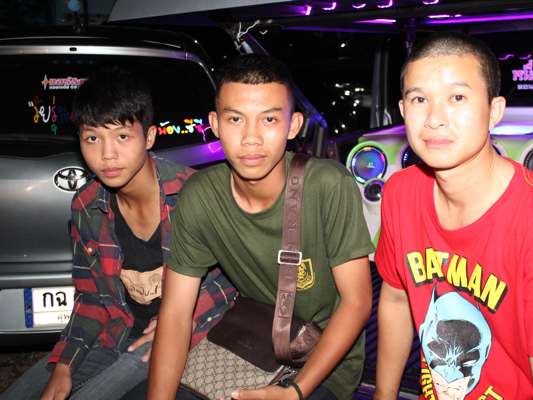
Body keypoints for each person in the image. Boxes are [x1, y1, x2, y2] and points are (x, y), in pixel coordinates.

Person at [374, 32, 533, 400]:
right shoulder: (400, 193)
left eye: (457, 98)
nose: (434, 119)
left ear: (494, 111)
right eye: (419, 99)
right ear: (402, 110)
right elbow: (397, 299)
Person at [146, 54, 374, 400]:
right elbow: (176, 314)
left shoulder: (327, 185)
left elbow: (357, 302)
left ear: (293, 126)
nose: (251, 138)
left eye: (269, 119)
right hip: (250, 341)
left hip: (323, 356)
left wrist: (294, 392)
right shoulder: (201, 196)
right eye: (236, 119)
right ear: (215, 123)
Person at [1, 68, 235, 400]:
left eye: (122, 137)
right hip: (116, 332)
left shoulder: (192, 194)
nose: (107, 154)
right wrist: (65, 364)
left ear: (149, 137)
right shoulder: (86, 205)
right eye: (92, 138)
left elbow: (233, 283)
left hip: (180, 337)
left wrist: (185, 318)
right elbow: (91, 298)